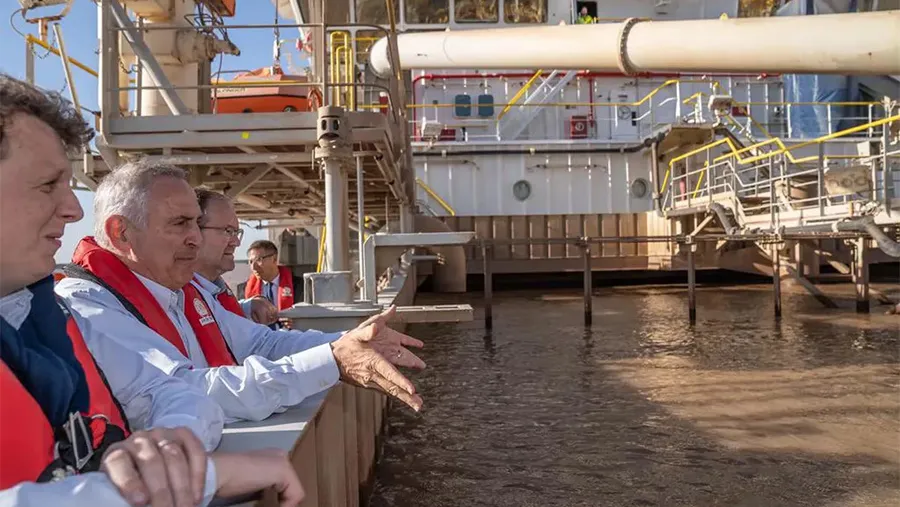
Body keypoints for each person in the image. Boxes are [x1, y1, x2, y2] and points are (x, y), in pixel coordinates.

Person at [0, 73, 304, 507]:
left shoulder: (39, 314)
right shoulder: (84, 303)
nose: (71, 210)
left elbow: (171, 392)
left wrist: (170, 449)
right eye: (48, 185)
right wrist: (201, 479)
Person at [56, 160, 426, 424]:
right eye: (180, 223)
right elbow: (184, 391)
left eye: (197, 224)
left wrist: (348, 342)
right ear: (121, 232)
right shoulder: (89, 305)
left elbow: (261, 344)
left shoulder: (179, 291)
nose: (195, 237)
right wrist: (332, 361)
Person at [193, 189, 278, 326]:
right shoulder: (176, 300)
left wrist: (245, 308)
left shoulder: (214, 290)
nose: (236, 242)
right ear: (193, 232)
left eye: (236, 232)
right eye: (227, 231)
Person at [242, 240, 297, 329]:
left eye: (259, 260)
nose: (254, 267)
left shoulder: (299, 285)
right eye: (251, 262)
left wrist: (297, 323)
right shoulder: (244, 289)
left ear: (274, 259)